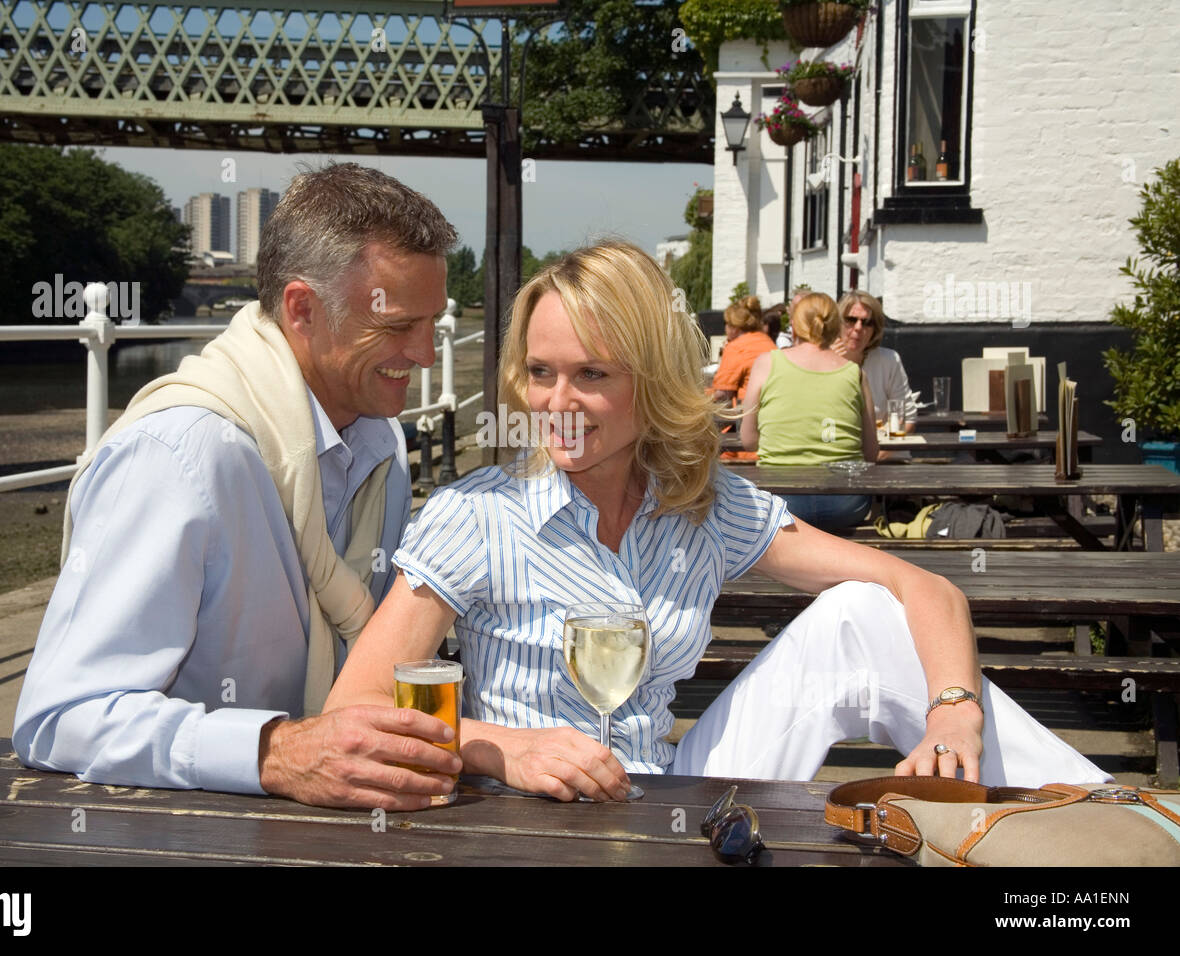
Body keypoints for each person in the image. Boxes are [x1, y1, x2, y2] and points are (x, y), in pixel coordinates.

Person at [324, 241, 1108, 801]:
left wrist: (953, 718)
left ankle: (1111, 832)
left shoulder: (705, 504)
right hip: (525, 822)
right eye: (539, 372)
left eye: (591, 375)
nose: (555, 404)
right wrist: (506, 751)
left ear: (654, 379)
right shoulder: (478, 514)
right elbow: (352, 713)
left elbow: (921, 588)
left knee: (862, 612)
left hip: (664, 794)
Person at [12, 163, 465, 810]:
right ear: (302, 309)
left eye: (431, 323)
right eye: (397, 327)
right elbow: (61, 717)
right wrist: (275, 752)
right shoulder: (179, 454)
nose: (425, 354)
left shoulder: (381, 443)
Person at [738, 292, 876, 531]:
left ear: (793, 325)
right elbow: (871, 452)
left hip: (780, 502)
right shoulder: (855, 372)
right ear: (836, 327)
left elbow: (748, 441)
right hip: (846, 503)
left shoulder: (766, 363)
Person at [834, 290, 916, 434]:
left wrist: (879, 455)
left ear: (875, 330)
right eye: (851, 320)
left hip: (883, 449)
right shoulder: (822, 360)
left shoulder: (888, 360)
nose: (858, 328)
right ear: (837, 323)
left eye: (867, 323)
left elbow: (907, 418)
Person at [710, 295, 776, 405]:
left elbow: (723, 394)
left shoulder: (736, 348)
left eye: (726, 323)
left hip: (748, 412)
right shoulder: (768, 341)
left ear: (734, 327)